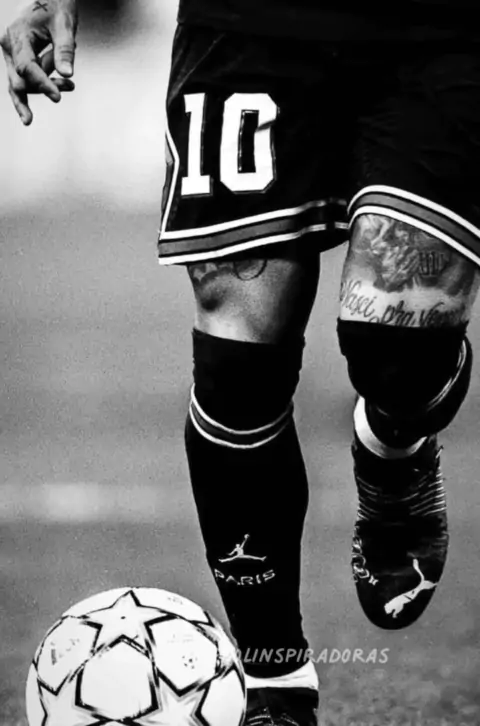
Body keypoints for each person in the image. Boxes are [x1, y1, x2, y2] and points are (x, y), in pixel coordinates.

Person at [3, 1, 480, 724]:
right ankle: (274, 673)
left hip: (438, 30)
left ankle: (394, 446)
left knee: (400, 351)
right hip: (247, 22)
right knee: (237, 353)